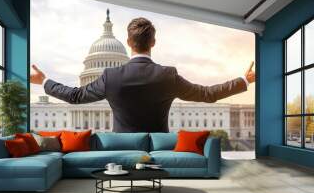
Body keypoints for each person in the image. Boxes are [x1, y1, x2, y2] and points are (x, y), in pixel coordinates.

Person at [30, 17, 255, 133]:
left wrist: (45, 81)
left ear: (128, 43)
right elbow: (208, 94)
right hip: (158, 146)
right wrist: (243, 80)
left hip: (122, 148)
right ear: (153, 43)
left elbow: (75, 96)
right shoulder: (167, 75)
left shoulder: (111, 76)